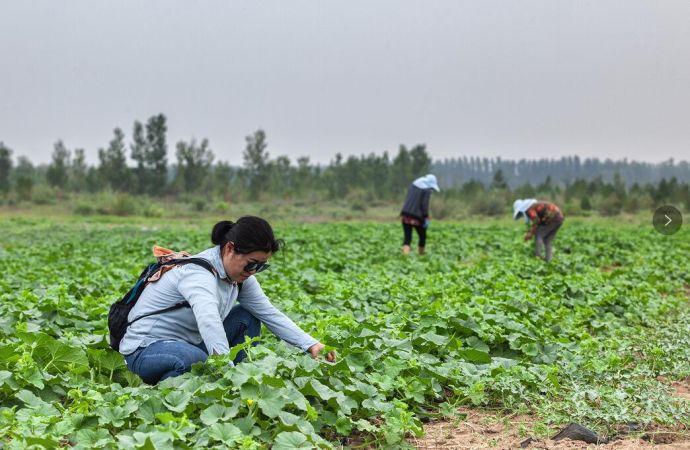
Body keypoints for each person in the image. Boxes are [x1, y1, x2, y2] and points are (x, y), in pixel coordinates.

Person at [120, 216, 335, 384]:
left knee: (247, 316)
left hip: (188, 343)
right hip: (145, 350)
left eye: (261, 266)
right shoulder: (198, 274)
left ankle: (237, 378)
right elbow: (209, 320)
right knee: (195, 360)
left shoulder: (239, 277)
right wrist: (228, 372)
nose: (254, 271)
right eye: (251, 264)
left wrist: (312, 345)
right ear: (230, 248)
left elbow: (269, 314)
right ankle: (162, 392)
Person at [400, 174, 440, 255]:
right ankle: (421, 256)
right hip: (417, 217)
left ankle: (405, 258)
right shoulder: (427, 190)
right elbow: (424, 205)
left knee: (407, 237)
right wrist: (426, 216)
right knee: (422, 236)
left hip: (405, 214)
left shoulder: (412, 186)